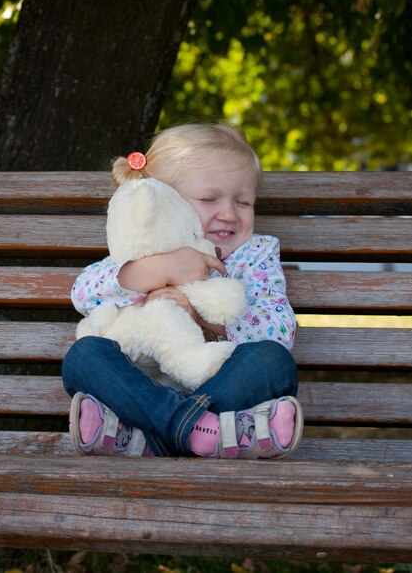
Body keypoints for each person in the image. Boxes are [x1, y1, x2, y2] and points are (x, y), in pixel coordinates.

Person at [62, 122, 303, 459]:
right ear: (164, 200)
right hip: (145, 390)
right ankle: (199, 433)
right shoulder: (144, 249)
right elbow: (83, 294)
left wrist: (201, 316)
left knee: (273, 363)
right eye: (208, 199)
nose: (229, 214)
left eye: (245, 203)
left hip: (222, 389)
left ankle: (158, 439)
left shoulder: (255, 254)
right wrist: (161, 268)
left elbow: (278, 332)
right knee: (83, 357)